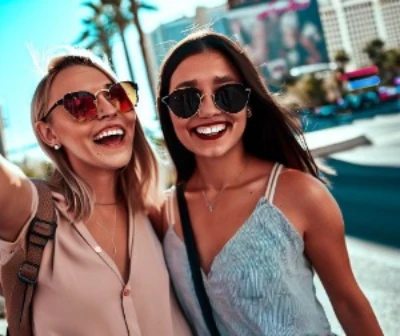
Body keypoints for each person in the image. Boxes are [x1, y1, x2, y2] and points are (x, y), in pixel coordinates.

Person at [155, 30, 383, 335]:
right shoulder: (163, 213)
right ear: (167, 112)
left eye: (228, 93)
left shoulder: (300, 194)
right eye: (186, 99)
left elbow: (349, 305)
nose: (208, 110)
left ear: (248, 103)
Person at [0, 49, 191, 335]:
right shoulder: (29, 210)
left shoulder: (157, 211)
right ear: (49, 134)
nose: (108, 109)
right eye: (79, 104)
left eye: (118, 95)